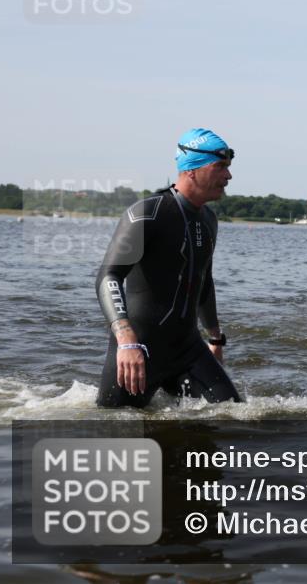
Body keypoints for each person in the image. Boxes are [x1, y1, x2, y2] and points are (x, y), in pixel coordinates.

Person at [95, 129, 242, 408]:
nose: (228, 176)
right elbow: (108, 276)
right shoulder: (147, 213)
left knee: (233, 418)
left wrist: (215, 338)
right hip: (138, 351)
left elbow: (204, 281)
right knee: (114, 431)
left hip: (188, 349)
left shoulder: (209, 219)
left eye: (228, 168)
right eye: (220, 167)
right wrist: (126, 340)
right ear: (192, 170)